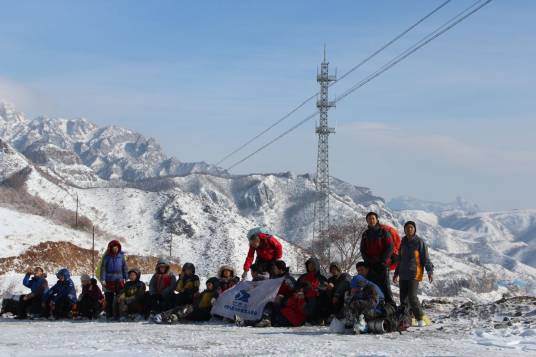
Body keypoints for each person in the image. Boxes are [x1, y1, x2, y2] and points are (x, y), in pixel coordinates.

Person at [393, 221, 434, 327]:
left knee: (412, 296)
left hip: (414, 273)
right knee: (403, 299)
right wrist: (396, 273)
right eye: (407, 228)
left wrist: (429, 271)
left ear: (414, 229)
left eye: (411, 227)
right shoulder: (403, 242)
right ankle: (407, 319)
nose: (409, 229)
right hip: (403, 274)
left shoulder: (419, 242)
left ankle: (421, 318)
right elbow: (400, 259)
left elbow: (425, 258)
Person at [360, 212, 395, 304]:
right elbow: (362, 249)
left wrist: (382, 260)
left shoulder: (384, 232)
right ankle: (376, 305)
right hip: (370, 265)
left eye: (373, 218)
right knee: (372, 286)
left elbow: (390, 247)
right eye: (369, 219)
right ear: (367, 221)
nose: (371, 220)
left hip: (382, 264)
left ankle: (390, 306)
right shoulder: (365, 234)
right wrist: (367, 261)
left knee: (385, 286)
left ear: (377, 220)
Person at [155, 277, 220, 324]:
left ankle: (174, 317)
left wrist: (213, 301)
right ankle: (162, 315)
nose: (208, 286)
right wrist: (195, 296)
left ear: (215, 285)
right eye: (207, 284)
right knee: (180, 308)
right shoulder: (205, 292)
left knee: (188, 308)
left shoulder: (215, 293)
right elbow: (197, 298)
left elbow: (214, 303)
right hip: (197, 310)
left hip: (205, 313)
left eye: (210, 284)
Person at [99, 240, 128, 319]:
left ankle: (120, 314)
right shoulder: (106, 256)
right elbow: (103, 268)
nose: (115, 249)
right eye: (113, 247)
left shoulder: (121, 256)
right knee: (109, 298)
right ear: (110, 248)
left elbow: (124, 267)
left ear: (119, 248)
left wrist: (126, 277)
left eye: (117, 247)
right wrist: (103, 279)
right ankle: (110, 315)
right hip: (109, 280)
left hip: (119, 280)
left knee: (120, 297)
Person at [297, 257, 329, 324]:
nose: (310, 266)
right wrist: (301, 291)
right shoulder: (303, 277)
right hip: (304, 297)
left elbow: (325, 288)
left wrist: (316, 289)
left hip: (318, 298)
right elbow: (297, 287)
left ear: (316, 266)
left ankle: (318, 319)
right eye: (309, 265)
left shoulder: (321, 278)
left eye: (312, 265)